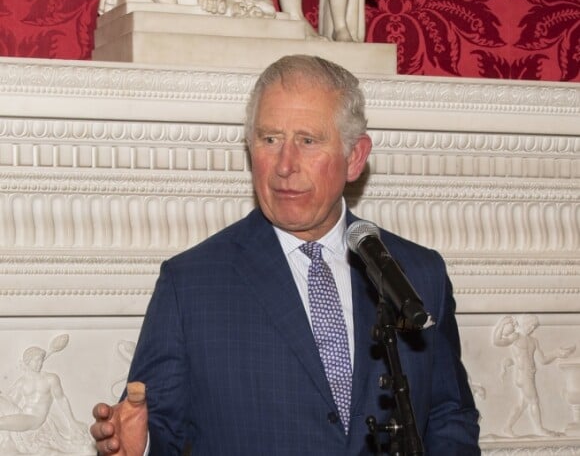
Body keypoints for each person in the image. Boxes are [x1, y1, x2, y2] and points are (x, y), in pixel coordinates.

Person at [90, 54, 480, 455]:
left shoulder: (415, 273)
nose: (284, 165)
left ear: (355, 157)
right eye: (270, 139)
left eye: (308, 141)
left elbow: (448, 414)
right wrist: (136, 446)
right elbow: (156, 426)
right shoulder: (190, 284)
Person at [493, 314, 575, 437]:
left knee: (523, 404)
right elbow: (497, 341)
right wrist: (500, 325)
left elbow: (543, 360)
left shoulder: (533, 341)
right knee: (534, 401)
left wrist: (557, 353)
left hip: (529, 375)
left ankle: (507, 427)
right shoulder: (516, 337)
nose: (532, 328)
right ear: (525, 323)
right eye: (531, 325)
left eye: (534, 326)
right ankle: (539, 429)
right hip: (522, 375)